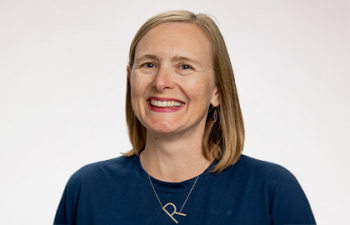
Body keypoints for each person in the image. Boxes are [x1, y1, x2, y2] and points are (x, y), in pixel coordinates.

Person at [54, 10, 316, 225]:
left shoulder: (271, 191)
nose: (161, 82)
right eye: (148, 64)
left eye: (184, 66)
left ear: (218, 91)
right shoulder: (88, 190)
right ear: (130, 78)